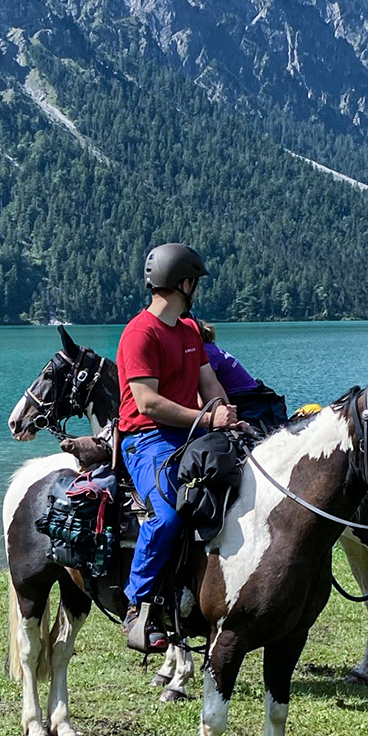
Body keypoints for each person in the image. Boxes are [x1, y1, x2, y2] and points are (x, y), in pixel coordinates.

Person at [117, 243, 241, 652]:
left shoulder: (188, 329)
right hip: (146, 439)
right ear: (183, 282)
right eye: (195, 282)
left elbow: (209, 385)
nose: (196, 289)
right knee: (168, 516)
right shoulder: (140, 333)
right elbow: (147, 403)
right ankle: (136, 605)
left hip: (191, 434)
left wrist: (227, 414)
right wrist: (208, 418)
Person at [198, 322, 288, 433]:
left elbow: (203, 396)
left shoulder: (205, 352)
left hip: (248, 402)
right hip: (256, 396)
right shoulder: (209, 347)